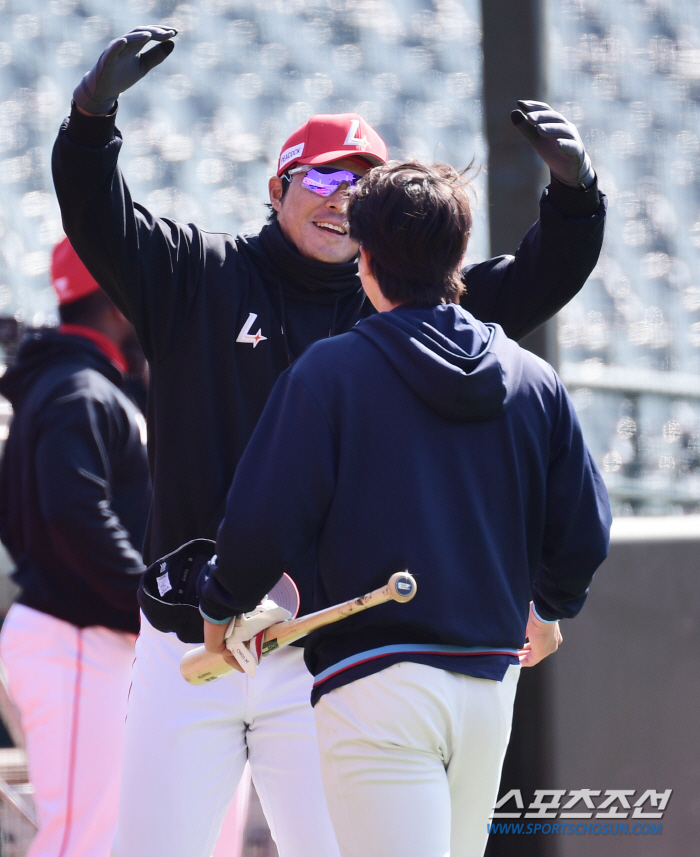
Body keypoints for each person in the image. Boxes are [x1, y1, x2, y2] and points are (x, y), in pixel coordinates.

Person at [51, 25, 607, 857]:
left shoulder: (403, 304)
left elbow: (538, 275)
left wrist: (575, 194)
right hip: (189, 644)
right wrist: (91, 120)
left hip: (325, 650)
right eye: (320, 177)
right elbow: (98, 216)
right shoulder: (198, 274)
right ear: (275, 188)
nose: (341, 197)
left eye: (363, 184)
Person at [198, 160, 612, 857]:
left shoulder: (330, 371)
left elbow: (263, 518)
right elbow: (583, 531)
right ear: (459, 255)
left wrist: (220, 604)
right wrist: (548, 608)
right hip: (488, 683)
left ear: (365, 258)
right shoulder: (533, 378)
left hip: (375, 684)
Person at [0, 238, 151, 857]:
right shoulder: (79, 390)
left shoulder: (78, 383)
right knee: (82, 842)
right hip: (76, 638)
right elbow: (73, 512)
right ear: (116, 304)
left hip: (84, 639)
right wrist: (150, 599)